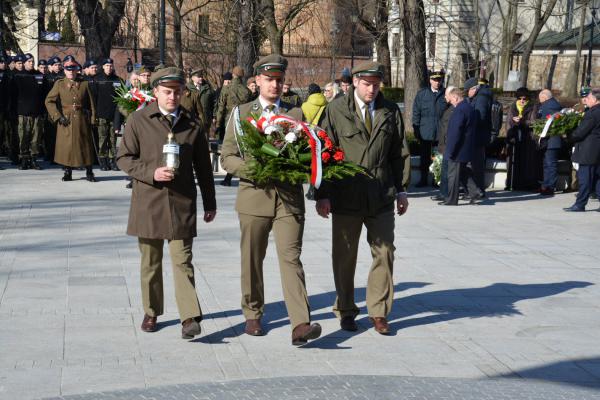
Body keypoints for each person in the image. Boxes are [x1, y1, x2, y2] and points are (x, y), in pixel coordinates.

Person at [220, 54, 322, 346]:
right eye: (269, 79)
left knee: (291, 258)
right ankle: (252, 313)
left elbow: (308, 155)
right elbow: (227, 157)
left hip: (288, 199)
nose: (275, 85)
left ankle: (300, 323)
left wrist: (300, 166)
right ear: (257, 82)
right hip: (254, 196)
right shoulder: (241, 114)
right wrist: (250, 169)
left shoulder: (296, 114)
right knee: (252, 258)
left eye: (279, 80)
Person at [116, 67, 217, 339]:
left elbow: (204, 168)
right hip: (148, 202)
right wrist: (151, 173)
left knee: (183, 261)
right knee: (151, 262)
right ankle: (152, 311)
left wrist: (210, 202)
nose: (173, 97)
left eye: (177, 92)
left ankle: (189, 318)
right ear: (156, 92)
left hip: (181, 203)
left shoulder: (192, 124)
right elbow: (124, 158)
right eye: (167, 91)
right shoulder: (139, 120)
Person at [315, 61, 410, 335]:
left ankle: (378, 311)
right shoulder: (335, 110)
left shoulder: (389, 110)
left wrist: (401, 189)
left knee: (385, 251)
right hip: (347, 194)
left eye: (376, 85)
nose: (372, 90)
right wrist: (322, 195)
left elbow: (398, 152)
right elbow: (324, 153)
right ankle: (345, 309)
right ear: (355, 82)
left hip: (380, 193)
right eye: (367, 84)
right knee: (345, 256)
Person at [45, 59, 97, 182]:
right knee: (66, 147)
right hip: (66, 120)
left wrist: (93, 119)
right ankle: (67, 172)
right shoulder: (60, 84)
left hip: (82, 119)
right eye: (68, 70)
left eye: (73, 69)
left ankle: (89, 172)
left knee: (85, 146)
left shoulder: (84, 83)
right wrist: (58, 116)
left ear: (76, 70)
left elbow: (91, 103)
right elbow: (49, 101)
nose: (71, 72)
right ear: (64, 70)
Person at [440, 88, 480, 205]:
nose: (450, 102)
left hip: (458, 149)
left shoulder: (459, 110)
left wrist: (450, 150)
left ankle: (452, 199)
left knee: (453, 175)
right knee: (463, 173)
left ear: (456, 97)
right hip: (466, 148)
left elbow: (455, 132)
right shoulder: (469, 108)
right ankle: (475, 193)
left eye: (451, 99)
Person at [563, 88, 600, 211]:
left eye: (588, 98)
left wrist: (568, 135)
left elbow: (580, 133)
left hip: (588, 150)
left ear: (595, 100)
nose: (586, 100)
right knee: (597, 177)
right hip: (597, 150)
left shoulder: (592, 113)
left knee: (585, 178)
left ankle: (580, 204)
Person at [215, 66, 252, 186]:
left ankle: (228, 178)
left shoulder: (227, 89)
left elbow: (221, 108)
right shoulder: (247, 91)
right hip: (243, 122)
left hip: (229, 121)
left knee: (229, 151)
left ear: (233, 75)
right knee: (242, 150)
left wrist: (217, 123)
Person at [13, 53, 48, 170]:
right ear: (23, 63)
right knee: (23, 138)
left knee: (36, 138)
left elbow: (45, 95)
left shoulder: (40, 76)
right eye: (29, 61)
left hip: (37, 113)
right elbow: (12, 96)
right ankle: (24, 160)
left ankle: (34, 160)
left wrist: (43, 110)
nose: (31, 63)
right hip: (22, 113)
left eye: (33, 61)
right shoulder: (17, 76)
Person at [412, 70, 447, 187]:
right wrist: (416, 128)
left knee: (438, 157)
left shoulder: (445, 94)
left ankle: (437, 180)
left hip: (440, 132)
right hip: (425, 131)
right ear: (430, 80)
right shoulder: (422, 94)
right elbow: (416, 112)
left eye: (439, 80)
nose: (437, 82)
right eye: (435, 80)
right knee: (424, 157)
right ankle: (423, 179)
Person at [504, 87, 542, 191]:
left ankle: (527, 184)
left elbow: (534, 122)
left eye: (524, 99)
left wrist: (522, 121)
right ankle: (512, 183)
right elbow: (508, 123)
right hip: (515, 137)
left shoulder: (533, 106)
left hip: (528, 138)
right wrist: (510, 130)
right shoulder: (513, 106)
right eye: (519, 98)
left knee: (527, 162)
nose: (521, 101)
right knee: (514, 161)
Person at [463, 77, 492, 199]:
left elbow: (479, 117)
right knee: (475, 164)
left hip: (477, 136)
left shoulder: (481, 99)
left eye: (467, 91)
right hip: (478, 135)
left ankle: (478, 191)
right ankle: (476, 190)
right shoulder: (480, 97)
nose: (467, 94)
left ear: (474, 88)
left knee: (476, 166)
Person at [95, 58, 121, 171]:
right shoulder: (97, 79)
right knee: (103, 138)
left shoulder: (118, 80)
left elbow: (121, 98)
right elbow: (94, 98)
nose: (109, 68)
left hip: (114, 114)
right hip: (101, 114)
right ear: (103, 67)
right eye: (107, 65)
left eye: (111, 65)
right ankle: (103, 160)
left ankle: (112, 160)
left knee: (113, 139)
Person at [431, 86, 456, 202]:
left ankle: (446, 194)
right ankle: (443, 192)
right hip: (443, 143)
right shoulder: (447, 107)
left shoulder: (454, 109)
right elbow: (438, 112)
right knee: (443, 170)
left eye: (446, 95)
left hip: (448, 143)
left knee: (447, 171)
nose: (444, 97)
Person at [536, 89, 563, 196]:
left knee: (550, 164)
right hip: (549, 140)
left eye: (540, 98)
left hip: (551, 140)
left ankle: (550, 186)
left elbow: (547, 122)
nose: (539, 100)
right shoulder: (550, 104)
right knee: (547, 164)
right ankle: (546, 185)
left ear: (544, 97)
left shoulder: (550, 106)